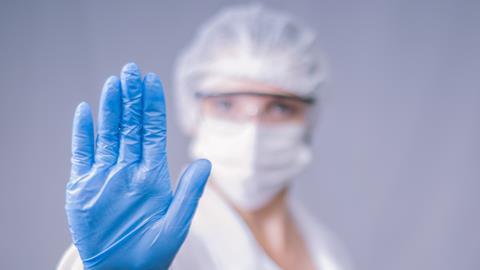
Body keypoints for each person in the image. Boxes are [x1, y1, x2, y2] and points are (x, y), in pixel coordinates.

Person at [57, 4, 352, 270]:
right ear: (194, 113)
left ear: (308, 120)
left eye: (279, 107)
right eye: (226, 104)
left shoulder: (327, 249)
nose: (253, 132)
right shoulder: (151, 244)